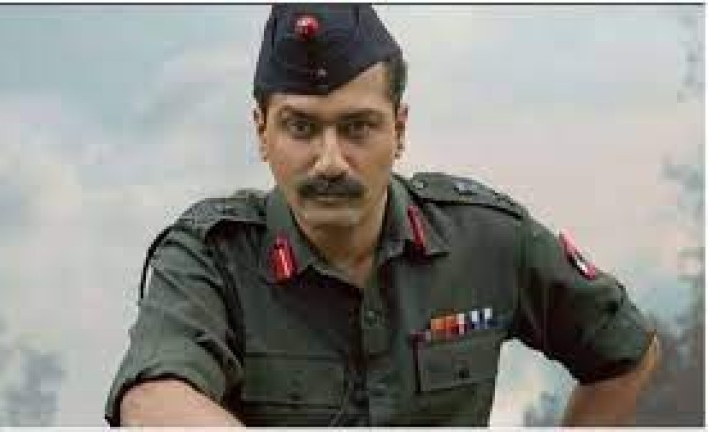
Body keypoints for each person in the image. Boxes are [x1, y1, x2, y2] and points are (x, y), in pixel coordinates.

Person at [105, 4, 659, 426]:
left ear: (400, 129)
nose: (329, 161)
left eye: (357, 127)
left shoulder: (488, 238)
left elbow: (624, 353)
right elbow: (153, 398)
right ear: (261, 132)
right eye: (301, 127)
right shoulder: (210, 255)